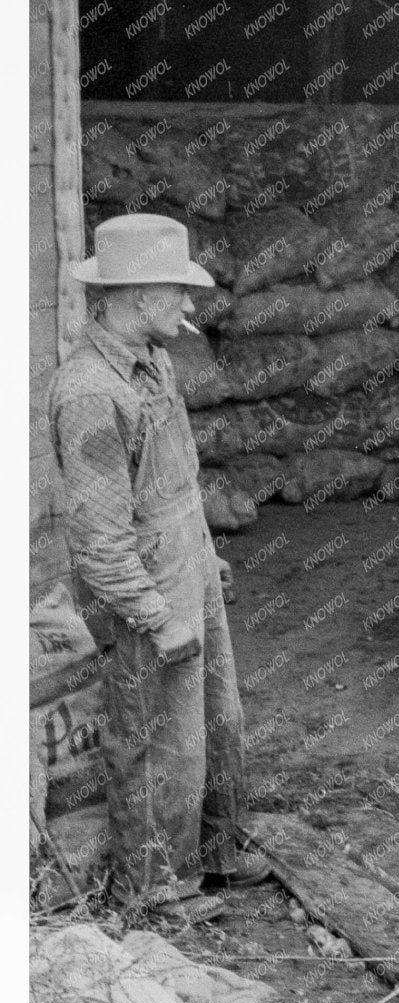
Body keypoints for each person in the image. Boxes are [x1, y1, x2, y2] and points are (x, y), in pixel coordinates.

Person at [49, 214, 270, 910]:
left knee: (217, 719)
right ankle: (156, 889)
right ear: (140, 295)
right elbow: (100, 540)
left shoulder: (155, 362)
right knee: (157, 741)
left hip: (187, 569)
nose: (189, 306)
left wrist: (205, 557)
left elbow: (172, 481)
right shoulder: (91, 393)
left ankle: (216, 850)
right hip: (142, 591)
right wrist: (154, 612)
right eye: (179, 291)